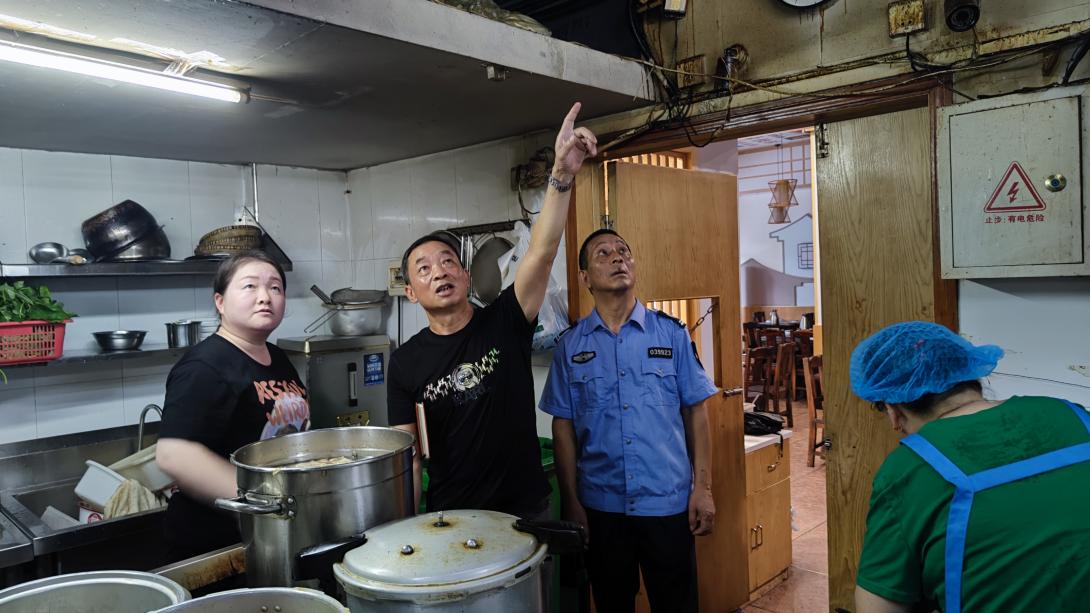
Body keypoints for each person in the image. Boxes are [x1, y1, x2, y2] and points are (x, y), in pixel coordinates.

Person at [387, 102, 597, 518]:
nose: (439, 272)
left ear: (466, 278)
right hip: (454, 516)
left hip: (525, 510)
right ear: (410, 292)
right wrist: (404, 527)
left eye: (448, 262)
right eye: (424, 269)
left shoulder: (506, 320)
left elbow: (542, 252)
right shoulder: (405, 362)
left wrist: (561, 175)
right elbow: (408, 456)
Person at [851, 321, 1090, 613]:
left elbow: (877, 609)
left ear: (893, 411)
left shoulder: (911, 467)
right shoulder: (1074, 414)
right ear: (971, 373)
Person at [539, 228, 717, 613]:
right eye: (603, 254)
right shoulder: (571, 347)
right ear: (585, 277)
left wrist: (703, 489)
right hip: (602, 508)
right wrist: (572, 502)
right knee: (611, 604)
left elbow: (696, 412)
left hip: (667, 503)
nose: (618, 257)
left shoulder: (671, 334)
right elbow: (563, 427)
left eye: (623, 251)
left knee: (677, 605)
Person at [156, 250, 310, 561]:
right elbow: (174, 454)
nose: (265, 297)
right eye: (250, 286)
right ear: (220, 302)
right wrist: (263, 503)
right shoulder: (206, 365)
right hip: (217, 545)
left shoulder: (277, 357)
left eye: (275, 288)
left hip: (272, 532)